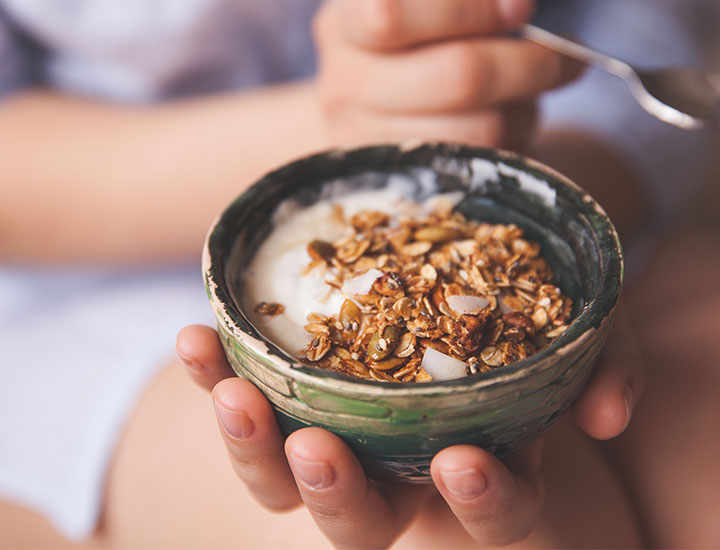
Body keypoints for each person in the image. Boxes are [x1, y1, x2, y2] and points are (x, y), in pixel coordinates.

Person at [1, 0, 718, 548]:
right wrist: (331, 126)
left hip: (566, 155)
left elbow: (653, 40)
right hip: (90, 274)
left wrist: (536, 218)